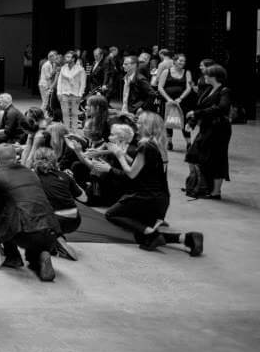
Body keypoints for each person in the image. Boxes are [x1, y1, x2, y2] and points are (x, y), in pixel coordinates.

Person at [93, 112, 204, 255]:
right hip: (160, 197)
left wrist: (116, 159)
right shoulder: (157, 146)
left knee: (111, 214)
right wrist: (118, 153)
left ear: (148, 126)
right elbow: (139, 167)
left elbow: (132, 173)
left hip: (145, 197)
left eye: (139, 123)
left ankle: (151, 233)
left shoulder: (144, 146)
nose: (136, 125)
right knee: (142, 237)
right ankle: (187, 238)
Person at [0, 145, 60, 281]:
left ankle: (13, 257)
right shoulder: (31, 172)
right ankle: (41, 254)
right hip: (51, 229)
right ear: (16, 157)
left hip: (25, 232)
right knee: (33, 253)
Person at [184, 64, 231, 199]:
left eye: (207, 74)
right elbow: (200, 107)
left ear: (214, 77)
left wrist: (197, 113)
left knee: (217, 158)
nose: (204, 76)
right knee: (193, 154)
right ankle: (197, 184)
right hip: (206, 127)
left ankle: (216, 192)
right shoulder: (208, 89)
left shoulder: (224, 91)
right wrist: (192, 122)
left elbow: (222, 108)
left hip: (219, 129)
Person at [31, 147, 86, 261]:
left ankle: (55, 239)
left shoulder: (32, 177)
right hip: (74, 219)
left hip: (54, 220)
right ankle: (56, 236)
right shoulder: (65, 176)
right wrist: (72, 180)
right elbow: (84, 198)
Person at [158, 53, 193, 151]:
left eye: (184, 61)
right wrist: (168, 99)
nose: (182, 63)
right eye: (180, 60)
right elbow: (160, 87)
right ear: (174, 61)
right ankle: (169, 142)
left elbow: (188, 87)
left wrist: (180, 98)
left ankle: (189, 143)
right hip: (167, 101)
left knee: (184, 121)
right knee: (168, 121)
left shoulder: (187, 72)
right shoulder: (166, 71)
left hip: (182, 101)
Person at [56, 51, 86, 133]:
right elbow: (60, 82)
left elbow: (82, 83)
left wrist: (80, 95)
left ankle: (74, 131)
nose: (66, 58)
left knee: (74, 114)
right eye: (66, 57)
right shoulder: (63, 68)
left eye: (68, 57)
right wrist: (59, 93)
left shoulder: (80, 69)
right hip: (64, 93)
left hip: (75, 94)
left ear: (73, 59)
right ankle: (66, 130)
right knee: (65, 113)